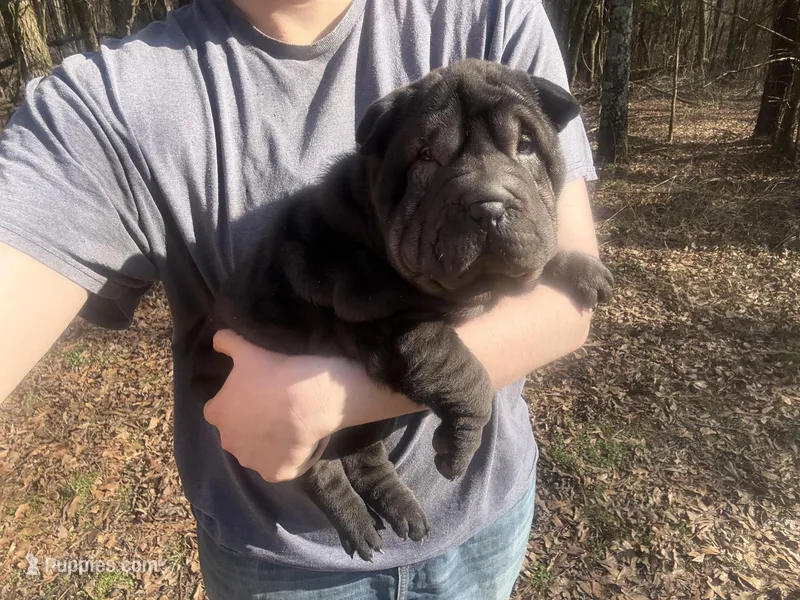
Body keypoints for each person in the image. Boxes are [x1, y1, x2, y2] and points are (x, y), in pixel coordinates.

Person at [0, 0, 600, 598]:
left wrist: (325, 402)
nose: (489, 192)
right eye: (428, 160)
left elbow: (570, 299)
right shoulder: (110, 103)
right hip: (284, 560)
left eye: (519, 147)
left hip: (484, 517)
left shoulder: (490, 13)